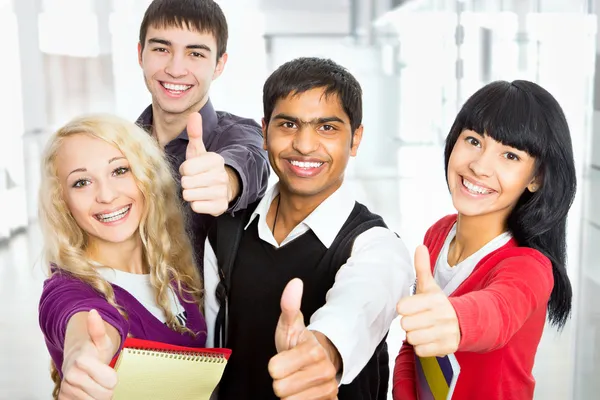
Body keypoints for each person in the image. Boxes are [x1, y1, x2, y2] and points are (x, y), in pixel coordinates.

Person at [203, 57, 415, 400]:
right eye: (288, 124)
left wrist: (322, 350)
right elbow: (212, 350)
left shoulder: (377, 248)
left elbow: (359, 305)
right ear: (265, 132)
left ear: (356, 139)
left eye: (327, 128)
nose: (304, 144)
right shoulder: (226, 232)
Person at [392, 80, 576, 399]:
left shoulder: (529, 266)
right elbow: (414, 347)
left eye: (510, 155)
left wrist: (455, 320)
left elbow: (498, 312)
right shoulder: (438, 234)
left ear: (536, 178)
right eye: (474, 140)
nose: (479, 166)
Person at [37, 115, 206, 400]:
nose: (106, 195)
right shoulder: (68, 289)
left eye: (119, 171)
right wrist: (85, 355)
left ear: (147, 177)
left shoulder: (168, 264)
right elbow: (83, 323)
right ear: (62, 201)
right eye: (81, 182)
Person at [136, 0, 270, 264]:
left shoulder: (238, 135)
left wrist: (228, 180)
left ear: (219, 65)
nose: (175, 69)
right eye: (162, 49)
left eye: (195, 53)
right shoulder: (119, 146)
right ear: (141, 54)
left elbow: (251, 159)